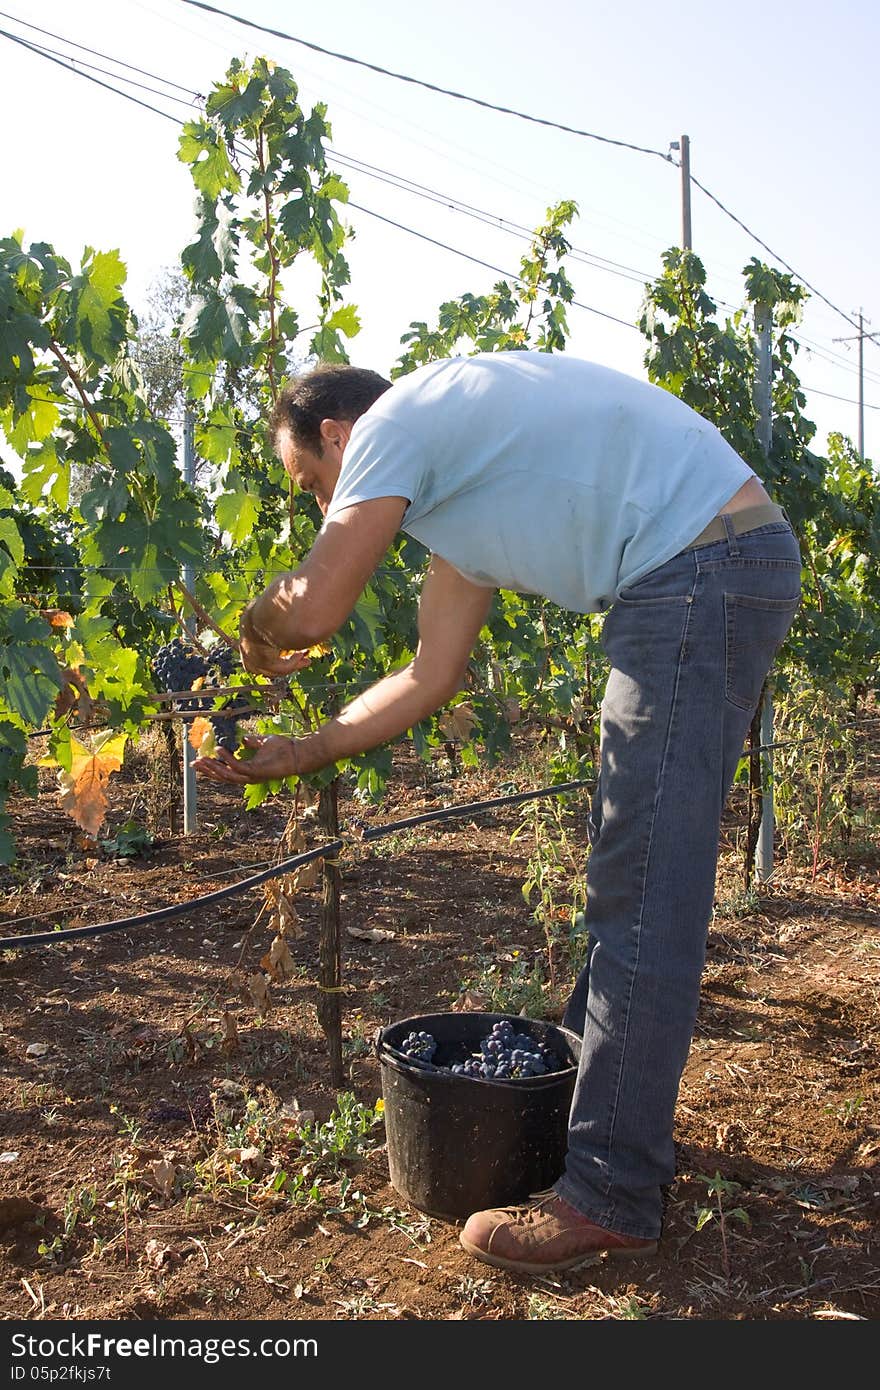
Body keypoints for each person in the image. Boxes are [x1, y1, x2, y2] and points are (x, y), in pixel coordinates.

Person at [193, 351, 802, 1274]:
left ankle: (611, 1192)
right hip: (698, 566)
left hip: (696, 567)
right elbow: (428, 675)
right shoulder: (456, 499)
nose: (324, 505)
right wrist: (304, 750)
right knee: (627, 871)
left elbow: (312, 607)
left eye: (313, 483)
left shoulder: (397, 423)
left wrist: (246, 637)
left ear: (338, 435)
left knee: (643, 888)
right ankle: (592, 1135)